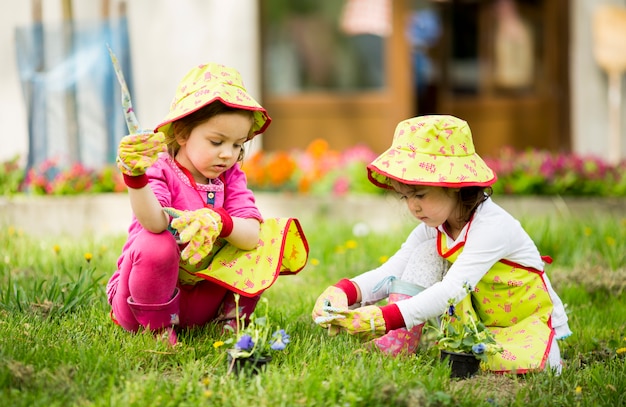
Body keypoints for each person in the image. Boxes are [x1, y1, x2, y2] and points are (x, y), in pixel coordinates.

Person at [312, 115, 572, 374]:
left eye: (420, 195)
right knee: (424, 253)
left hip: (522, 319)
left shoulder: (491, 227)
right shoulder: (434, 227)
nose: (413, 206)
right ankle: (397, 344)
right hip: (477, 319)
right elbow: (393, 270)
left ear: (454, 186)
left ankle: (543, 352)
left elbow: (451, 290)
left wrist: (386, 317)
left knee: (529, 363)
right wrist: (345, 291)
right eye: (405, 197)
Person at [107, 63, 308, 345]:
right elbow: (154, 222)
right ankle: (157, 331)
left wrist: (219, 221)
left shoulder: (231, 176)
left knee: (267, 237)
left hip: (199, 300)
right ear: (181, 133)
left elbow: (250, 236)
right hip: (142, 300)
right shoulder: (160, 167)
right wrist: (135, 175)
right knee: (156, 243)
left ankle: (228, 321)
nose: (228, 154)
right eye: (217, 141)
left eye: (238, 145)